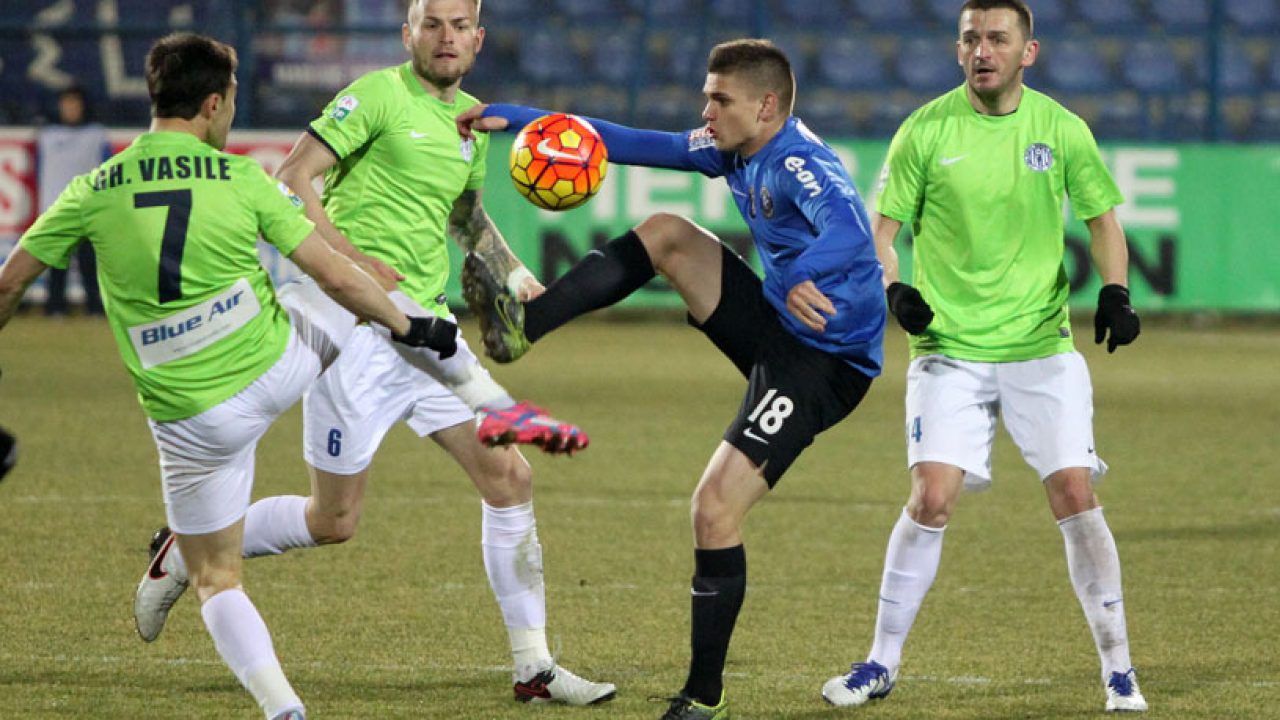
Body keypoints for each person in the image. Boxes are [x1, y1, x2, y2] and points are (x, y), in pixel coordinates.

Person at [134, 0, 617, 707]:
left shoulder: (472, 123)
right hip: (356, 329)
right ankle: (186, 549)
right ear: (408, 33)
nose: (446, 37)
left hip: (428, 333)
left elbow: (463, 217)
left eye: (459, 26)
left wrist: (515, 277)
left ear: (478, 39)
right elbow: (292, 176)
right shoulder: (375, 96)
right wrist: (351, 259)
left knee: (510, 479)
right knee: (334, 521)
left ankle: (533, 667)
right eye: (432, 24)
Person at [0, 32, 460, 719]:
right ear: (213, 104)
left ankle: (283, 708)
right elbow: (338, 275)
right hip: (274, 370)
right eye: (233, 100)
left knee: (218, 579)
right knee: (331, 292)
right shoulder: (243, 178)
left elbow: (9, 286)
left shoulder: (93, 189)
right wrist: (410, 327)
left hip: (189, 422)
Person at [457, 38, 887, 719]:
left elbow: (853, 233)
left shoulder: (799, 163)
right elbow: (630, 141)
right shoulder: (733, 147)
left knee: (714, 510)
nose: (706, 112)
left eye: (719, 100)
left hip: (823, 363)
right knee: (668, 235)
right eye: (707, 97)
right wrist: (520, 117)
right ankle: (524, 326)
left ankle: (703, 697)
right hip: (778, 322)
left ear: (766, 106)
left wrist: (801, 273)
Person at [817, 0, 1147, 713]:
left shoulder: (1061, 129)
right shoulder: (925, 129)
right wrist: (894, 289)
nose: (982, 51)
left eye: (998, 39)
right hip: (950, 348)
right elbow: (881, 233)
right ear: (957, 48)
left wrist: (1116, 291)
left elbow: (1103, 221)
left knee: (1074, 492)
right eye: (971, 38)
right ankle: (880, 661)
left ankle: (1119, 670)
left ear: (1029, 52)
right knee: (931, 497)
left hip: (1040, 346)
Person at [37, 85, 108, 316]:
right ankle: (55, 306)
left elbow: (106, 169)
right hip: (55, 208)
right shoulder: (47, 136)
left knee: (89, 261)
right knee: (57, 262)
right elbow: (39, 171)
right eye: (66, 104)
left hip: (87, 207)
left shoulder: (96, 135)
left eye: (74, 104)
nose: (70, 109)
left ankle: (94, 307)